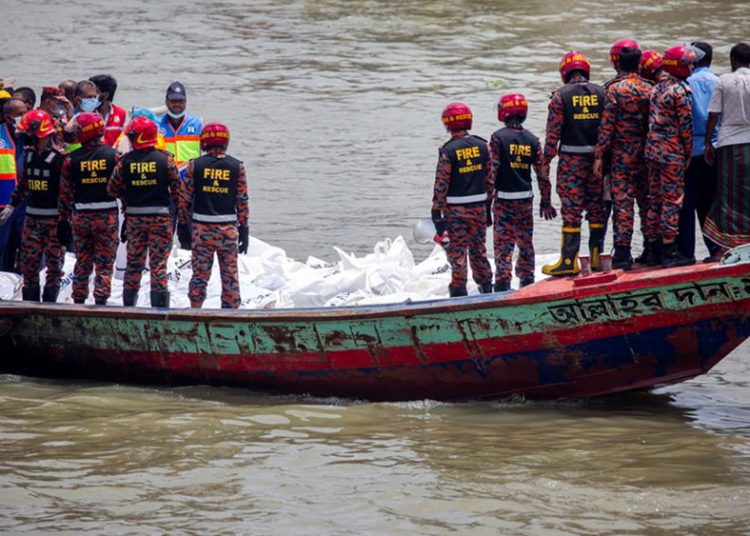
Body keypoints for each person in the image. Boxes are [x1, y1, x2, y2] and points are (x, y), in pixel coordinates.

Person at [542, 51, 606, 276]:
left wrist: (546, 159)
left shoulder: (560, 96)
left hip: (571, 163)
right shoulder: (602, 93)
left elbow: (553, 134)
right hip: (598, 162)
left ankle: (569, 260)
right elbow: (608, 129)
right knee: (597, 208)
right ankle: (597, 258)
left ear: (564, 73)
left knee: (572, 210)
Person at [107, 116, 180, 308]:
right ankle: (160, 311)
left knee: (133, 266)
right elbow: (179, 192)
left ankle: (128, 309)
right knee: (158, 266)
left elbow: (112, 189)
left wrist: (127, 200)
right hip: (161, 220)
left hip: (134, 220)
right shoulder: (167, 161)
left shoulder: (124, 162)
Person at [177, 122, 249, 308]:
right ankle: (231, 317)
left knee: (199, 276)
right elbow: (242, 200)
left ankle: (195, 314)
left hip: (202, 231)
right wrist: (244, 229)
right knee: (230, 277)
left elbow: (184, 199)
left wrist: (182, 227)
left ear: (204, 142)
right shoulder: (237, 166)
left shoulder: (195, 165)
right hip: (228, 231)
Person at [593, 46, 652, 270]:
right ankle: (652, 248)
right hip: (646, 153)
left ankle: (623, 254)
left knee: (623, 204)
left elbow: (607, 126)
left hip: (622, 155)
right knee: (647, 201)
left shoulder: (615, 90)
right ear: (639, 65)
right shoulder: (650, 88)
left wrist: (599, 156)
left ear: (617, 64)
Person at [489, 93, 556, 291]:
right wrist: (546, 201)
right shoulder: (532, 140)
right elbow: (542, 173)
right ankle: (527, 282)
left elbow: (491, 173)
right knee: (526, 243)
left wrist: (485, 205)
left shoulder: (498, 138)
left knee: (503, 245)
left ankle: (502, 284)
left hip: (503, 201)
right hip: (526, 201)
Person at [643, 44, 700, 268]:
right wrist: (687, 152)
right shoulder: (681, 91)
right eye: (688, 63)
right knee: (672, 201)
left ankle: (652, 250)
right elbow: (685, 127)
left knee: (654, 199)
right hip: (671, 153)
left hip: (652, 151)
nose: (691, 66)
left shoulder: (657, 88)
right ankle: (669, 251)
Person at [1, 110, 65, 301]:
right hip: (32, 219)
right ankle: (30, 305)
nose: (27, 140)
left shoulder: (58, 160)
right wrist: (12, 205)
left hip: (53, 220)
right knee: (29, 264)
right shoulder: (28, 157)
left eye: (30, 136)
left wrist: (65, 220)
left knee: (54, 267)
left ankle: (49, 307)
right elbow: (23, 185)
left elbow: (67, 192)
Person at [431, 102, 493, 297]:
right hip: (479, 209)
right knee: (479, 251)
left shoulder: (448, 150)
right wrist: (488, 208)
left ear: (447, 124)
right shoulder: (483, 146)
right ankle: (487, 290)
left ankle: (458, 293)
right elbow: (490, 180)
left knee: (457, 254)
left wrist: (436, 212)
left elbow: (441, 183)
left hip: (456, 211)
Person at [58, 112, 119, 305]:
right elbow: (121, 188)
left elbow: (65, 194)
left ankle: (78, 300)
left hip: (81, 218)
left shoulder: (70, 159)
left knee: (82, 261)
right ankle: (100, 301)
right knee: (105, 264)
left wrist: (62, 221)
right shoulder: (114, 156)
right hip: (107, 217)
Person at [703, 43, 750, 252]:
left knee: (728, 196)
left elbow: (713, 114)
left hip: (730, 144)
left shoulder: (724, 80)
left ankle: (730, 245)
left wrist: (707, 143)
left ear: (733, 61)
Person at [679, 42, 721, 261]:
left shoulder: (686, 83)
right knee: (710, 202)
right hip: (715, 149)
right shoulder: (718, 81)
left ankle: (686, 254)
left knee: (686, 204)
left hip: (691, 151)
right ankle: (716, 249)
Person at [0, 98, 27, 272]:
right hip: (3, 202)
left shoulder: (30, 136)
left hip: (25, 202)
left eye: (26, 113)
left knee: (25, 246)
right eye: (19, 115)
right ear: (8, 117)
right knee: (3, 247)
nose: (24, 118)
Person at [157, 81, 202, 176]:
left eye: (180, 101)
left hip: (190, 179)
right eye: (173, 101)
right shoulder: (156, 124)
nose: (177, 104)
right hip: (166, 178)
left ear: (185, 102)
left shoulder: (198, 123)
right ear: (166, 102)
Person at [89, 74, 127, 147]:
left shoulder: (121, 113)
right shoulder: (87, 114)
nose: (91, 95)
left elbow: (123, 139)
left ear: (105, 95)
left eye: (94, 92)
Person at [64, 80, 101, 153]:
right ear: (77, 99)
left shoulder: (98, 116)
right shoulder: (67, 116)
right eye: (90, 97)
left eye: (95, 97)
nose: (93, 100)